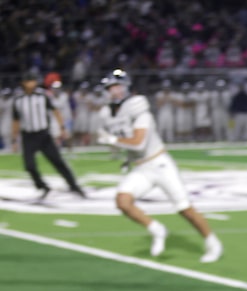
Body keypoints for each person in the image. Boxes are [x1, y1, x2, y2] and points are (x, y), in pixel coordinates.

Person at [96, 69, 223, 263]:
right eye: (111, 87)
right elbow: (123, 140)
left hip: (159, 164)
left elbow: (138, 142)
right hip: (141, 167)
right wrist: (116, 150)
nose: (114, 91)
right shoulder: (108, 114)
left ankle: (212, 242)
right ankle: (157, 229)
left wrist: (112, 139)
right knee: (123, 201)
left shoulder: (139, 109)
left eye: (117, 86)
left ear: (127, 87)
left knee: (184, 208)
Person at [10, 70, 86, 200]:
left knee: (58, 161)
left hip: (43, 135)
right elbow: (16, 120)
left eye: (33, 80)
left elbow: (55, 111)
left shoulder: (43, 96)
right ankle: (42, 186)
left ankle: (73, 185)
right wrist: (14, 140)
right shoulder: (18, 100)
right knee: (29, 166)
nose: (32, 83)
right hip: (28, 136)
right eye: (29, 81)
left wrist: (62, 127)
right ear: (23, 83)